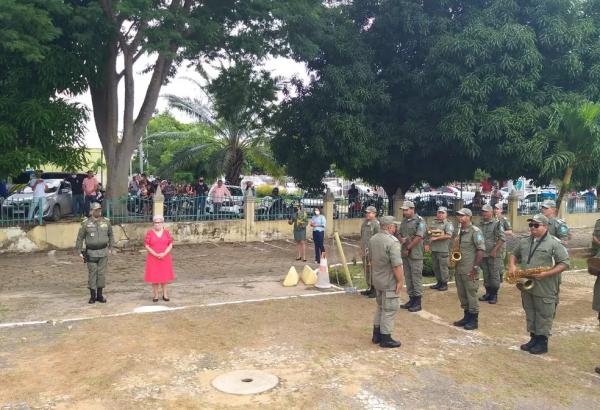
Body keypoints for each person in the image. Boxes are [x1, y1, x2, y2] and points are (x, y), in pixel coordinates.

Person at [508, 213, 569, 354]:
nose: (532, 228)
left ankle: (542, 342)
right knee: (530, 310)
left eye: (536, 225)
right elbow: (513, 254)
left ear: (545, 226)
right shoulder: (524, 241)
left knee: (544, 313)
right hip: (527, 283)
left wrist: (546, 274)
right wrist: (512, 266)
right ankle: (533, 338)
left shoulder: (554, 243)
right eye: (531, 225)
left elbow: (565, 263)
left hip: (545, 285)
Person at [369, 215, 405, 348]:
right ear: (390, 227)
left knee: (380, 307)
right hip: (389, 280)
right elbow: (396, 265)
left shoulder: (373, 239)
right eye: (394, 226)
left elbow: (371, 260)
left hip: (378, 279)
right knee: (389, 309)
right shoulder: (392, 242)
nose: (395, 228)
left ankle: (376, 335)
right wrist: (400, 281)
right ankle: (386, 338)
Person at [452, 208, 485, 330]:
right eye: (458, 215)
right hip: (460, 268)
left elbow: (480, 250)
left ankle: (474, 320)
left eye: (462, 215)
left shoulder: (475, 231)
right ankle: (466, 317)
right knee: (462, 294)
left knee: (471, 294)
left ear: (469, 217)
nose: (459, 217)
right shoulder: (460, 231)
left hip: (470, 269)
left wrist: (475, 267)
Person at [75, 202, 114, 304]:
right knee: (92, 274)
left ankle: (100, 295)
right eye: (96, 210)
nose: (99, 211)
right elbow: (80, 238)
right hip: (91, 253)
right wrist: (78, 251)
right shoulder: (86, 223)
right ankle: (92, 296)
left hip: (103, 252)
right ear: (92, 211)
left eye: (100, 209)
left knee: (101, 274)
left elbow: (111, 235)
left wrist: (111, 247)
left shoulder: (106, 222)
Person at [398, 200, 426, 312]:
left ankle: (417, 302)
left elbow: (419, 237)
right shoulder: (404, 221)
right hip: (405, 253)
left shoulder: (420, 221)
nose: (404, 212)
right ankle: (411, 299)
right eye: (403, 210)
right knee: (408, 277)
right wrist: (401, 239)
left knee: (416, 278)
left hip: (415, 254)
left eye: (406, 209)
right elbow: (399, 233)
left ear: (412, 209)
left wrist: (408, 248)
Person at [478, 204, 505, 304]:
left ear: (491, 212)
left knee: (494, 275)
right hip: (483, 253)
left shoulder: (497, 223)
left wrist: (494, 250)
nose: (484, 213)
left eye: (486, 211)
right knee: (486, 274)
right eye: (483, 211)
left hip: (493, 254)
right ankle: (488, 293)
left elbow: (502, 238)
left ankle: (494, 295)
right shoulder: (480, 224)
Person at [144, 215, 175, 302]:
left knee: (164, 277)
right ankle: (156, 295)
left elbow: (170, 244)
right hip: (153, 258)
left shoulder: (167, 232)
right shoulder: (149, 233)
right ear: (153, 223)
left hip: (165, 257)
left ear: (162, 223)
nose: (157, 224)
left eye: (159, 222)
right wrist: (155, 254)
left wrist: (164, 253)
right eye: (155, 222)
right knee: (154, 277)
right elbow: (147, 245)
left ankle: (165, 294)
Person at [427, 206, 454, 291]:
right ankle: (439, 282)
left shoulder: (448, 224)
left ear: (446, 214)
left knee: (443, 267)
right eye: (439, 212)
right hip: (434, 249)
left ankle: (444, 283)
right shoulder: (433, 222)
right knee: (436, 267)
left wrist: (436, 238)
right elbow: (430, 233)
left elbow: (449, 235)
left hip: (443, 250)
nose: (440, 214)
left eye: (443, 213)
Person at [360, 206, 380, 297]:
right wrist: (362, 249)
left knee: (373, 270)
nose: (367, 214)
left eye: (369, 213)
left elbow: (378, 238)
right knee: (367, 270)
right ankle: (370, 287)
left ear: (374, 214)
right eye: (366, 212)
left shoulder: (376, 224)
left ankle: (375, 289)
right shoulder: (364, 223)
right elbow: (362, 236)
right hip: (365, 250)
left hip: (373, 251)